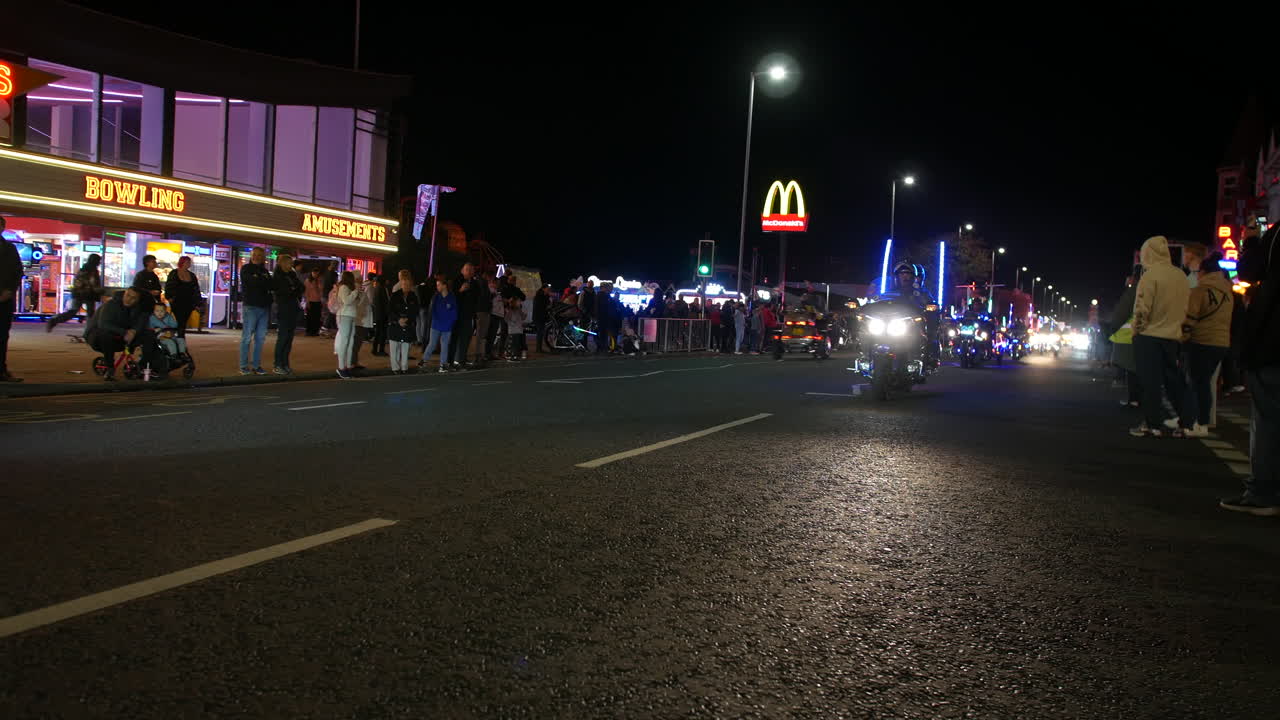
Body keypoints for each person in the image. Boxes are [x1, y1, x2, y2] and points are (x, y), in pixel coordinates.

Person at [1220, 222, 1280, 514]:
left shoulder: (1277, 235)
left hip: (1273, 340)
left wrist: (1253, 242)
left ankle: (1264, 492)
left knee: (1268, 417)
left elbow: (1249, 271)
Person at [1129, 236, 1191, 437]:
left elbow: (1142, 309)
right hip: (1172, 335)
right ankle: (1186, 422)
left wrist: (1136, 330)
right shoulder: (1180, 275)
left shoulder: (1150, 276)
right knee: (1174, 381)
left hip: (1149, 335)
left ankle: (1152, 423)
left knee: (1150, 382)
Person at [1182, 252, 1233, 437]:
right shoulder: (1228, 293)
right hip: (1221, 343)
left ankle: (1199, 423)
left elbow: (1189, 319)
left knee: (1198, 383)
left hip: (1201, 341)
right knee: (1205, 383)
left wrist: (1181, 337)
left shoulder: (1200, 291)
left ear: (1203, 272)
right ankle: (1197, 420)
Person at [85, 287, 155, 380]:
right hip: (98, 336)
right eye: (127, 295)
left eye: (133, 298)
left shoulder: (140, 307)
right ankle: (110, 368)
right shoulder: (111, 304)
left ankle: (147, 365)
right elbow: (103, 324)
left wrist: (134, 331)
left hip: (123, 337)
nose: (128, 299)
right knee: (106, 335)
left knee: (149, 335)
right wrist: (124, 332)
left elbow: (142, 321)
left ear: (138, 300)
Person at [1107, 273, 1141, 409]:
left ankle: (1134, 400)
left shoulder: (1134, 290)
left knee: (1132, 370)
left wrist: (1112, 329)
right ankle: (1138, 400)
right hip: (1145, 335)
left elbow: (1120, 314)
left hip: (1130, 336)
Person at [47, 253, 104, 332]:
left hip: (78, 293)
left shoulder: (83, 269)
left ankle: (54, 320)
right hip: (88, 294)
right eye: (99, 261)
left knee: (73, 311)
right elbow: (93, 283)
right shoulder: (93, 271)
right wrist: (100, 291)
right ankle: (89, 331)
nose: (99, 263)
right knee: (90, 313)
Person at [238, 247, 272, 375]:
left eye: (259, 255)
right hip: (251, 307)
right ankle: (243, 365)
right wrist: (262, 281)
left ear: (263, 257)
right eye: (254, 255)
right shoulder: (246, 269)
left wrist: (260, 280)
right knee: (247, 337)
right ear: (251, 256)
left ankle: (256, 365)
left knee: (260, 338)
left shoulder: (264, 271)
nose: (256, 257)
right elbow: (252, 282)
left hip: (264, 307)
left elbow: (270, 285)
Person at [272, 254, 304, 375]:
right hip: (284, 308)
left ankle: (285, 363)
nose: (291, 265)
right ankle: (277, 364)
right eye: (289, 263)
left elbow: (301, 287)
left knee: (289, 338)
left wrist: (293, 290)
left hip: (292, 308)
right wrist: (293, 290)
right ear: (283, 263)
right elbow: (284, 292)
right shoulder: (278, 276)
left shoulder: (292, 274)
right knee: (283, 337)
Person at [0, 217, 24, 382]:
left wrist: (9, 290)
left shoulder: (9, 248)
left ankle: (1, 369)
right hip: (5, 297)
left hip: (4, 299)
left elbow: (17, 272)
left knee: (2, 336)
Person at [333, 271, 366, 379]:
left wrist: (359, 294)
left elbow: (356, 304)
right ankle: (341, 367)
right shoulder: (343, 288)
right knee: (345, 341)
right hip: (344, 315)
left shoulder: (350, 289)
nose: (357, 282)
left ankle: (347, 366)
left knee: (350, 342)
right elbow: (346, 301)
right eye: (355, 279)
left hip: (351, 316)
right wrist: (356, 291)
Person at [388, 269, 419, 374]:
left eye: (408, 284)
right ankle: (395, 368)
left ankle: (404, 367)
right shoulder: (395, 295)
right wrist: (398, 319)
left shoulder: (413, 296)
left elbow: (415, 310)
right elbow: (390, 310)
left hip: (407, 325)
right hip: (395, 325)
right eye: (404, 283)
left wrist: (408, 319)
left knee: (405, 348)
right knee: (394, 348)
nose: (406, 285)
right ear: (401, 284)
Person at [423, 278, 458, 373]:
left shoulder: (451, 297)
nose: (437, 287)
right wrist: (434, 320)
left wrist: (451, 322)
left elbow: (454, 312)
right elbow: (432, 310)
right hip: (436, 325)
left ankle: (443, 364)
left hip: (447, 326)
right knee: (432, 344)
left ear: (444, 285)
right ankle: (424, 360)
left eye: (439, 285)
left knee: (445, 345)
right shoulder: (436, 296)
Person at [449, 263, 479, 369]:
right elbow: (452, 297)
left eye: (471, 270)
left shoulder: (474, 283)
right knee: (456, 337)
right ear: (462, 270)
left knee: (466, 337)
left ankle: (462, 358)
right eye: (467, 270)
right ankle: (454, 359)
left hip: (469, 314)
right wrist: (461, 290)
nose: (469, 272)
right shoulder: (456, 281)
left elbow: (477, 297)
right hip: (457, 314)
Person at [163, 256, 201, 338]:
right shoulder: (174, 273)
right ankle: (180, 339)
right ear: (182, 263)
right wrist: (169, 298)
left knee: (183, 322)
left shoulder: (192, 275)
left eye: (189, 262)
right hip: (177, 301)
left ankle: (180, 338)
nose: (189, 264)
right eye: (187, 262)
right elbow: (169, 286)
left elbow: (196, 289)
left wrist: (197, 303)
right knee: (179, 321)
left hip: (188, 302)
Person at [370, 273, 390, 357]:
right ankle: (381, 349)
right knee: (382, 332)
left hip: (377, 313)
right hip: (382, 314)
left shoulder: (376, 288)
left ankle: (374, 349)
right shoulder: (382, 289)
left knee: (377, 332)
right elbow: (385, 303)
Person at [487, 277, 506, 360]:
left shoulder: (495, 291)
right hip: (493, 315)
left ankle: (489, 353)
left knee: (493, 336)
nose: (498, 285)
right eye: (497, 283)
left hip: (497, 315)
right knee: (490, 335)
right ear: (493, 282)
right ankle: (487, 354)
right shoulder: (490, 290)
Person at [303, 267, 325, 336]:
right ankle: (309, 331)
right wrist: (307, 301)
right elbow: (306, 292)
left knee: (317, 317)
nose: (315, 275)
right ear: (312, 273)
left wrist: (318, 283)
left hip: (318, 301)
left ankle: (315, 331)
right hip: (311, 301)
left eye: (317, 273)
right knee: (310, 317)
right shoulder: (308, 281)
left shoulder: (320, 280)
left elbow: (321, 290)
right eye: (314, 273)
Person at [506, 296, 527, 360]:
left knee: (517, 344)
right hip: (513, 330)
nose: (520, 302)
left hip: (518, 330)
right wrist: (513, 324)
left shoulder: (519, 310)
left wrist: (525, 314)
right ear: (514, 302)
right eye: (518, 301)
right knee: (512, 344)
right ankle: (511, 356)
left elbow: (523, 317)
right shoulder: (510, 310)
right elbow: (507, 319)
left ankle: (515, 355)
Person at [534, 284, 552, 353]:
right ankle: (538, 349)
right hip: (538, 316)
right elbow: (539, 307)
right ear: (543, 289)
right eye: (547, 289)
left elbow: (548, 304)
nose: (548, 290)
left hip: (543, 316)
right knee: (540, 332)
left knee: (541, 332)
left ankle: (539, 348)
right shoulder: (539, 296)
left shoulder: (546, 296)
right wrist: (547, 307)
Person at [321, 260, 338, 335]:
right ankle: (324, 328)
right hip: (329, 295)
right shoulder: (333, 274)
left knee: (326, 312)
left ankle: (324, 327)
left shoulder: (324, 273)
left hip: (324, 294)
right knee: (329, 312)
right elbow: (333, 284)